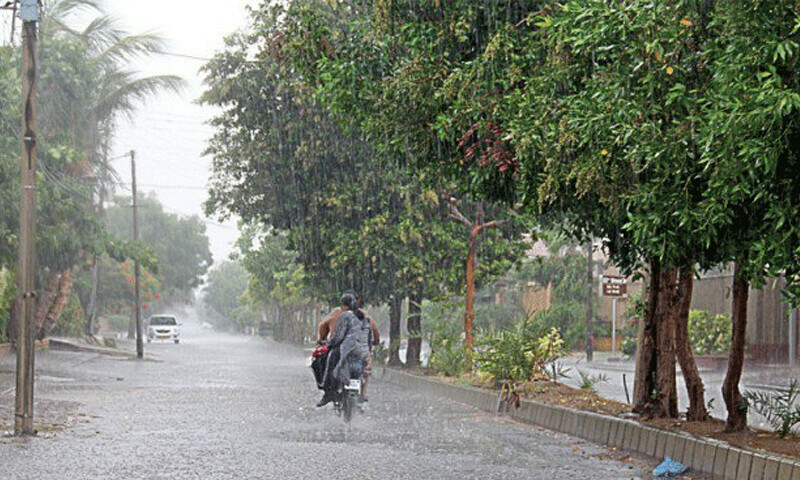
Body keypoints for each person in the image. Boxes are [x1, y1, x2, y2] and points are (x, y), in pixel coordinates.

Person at [316, 290, 379, 402]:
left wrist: (329, 343)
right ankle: (363, 393)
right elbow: (371, 333)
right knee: (366, 369)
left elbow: (338, 336)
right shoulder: (364, 316)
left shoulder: (342, 315)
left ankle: (328, 392)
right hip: (362, 351)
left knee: (330, 362)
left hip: (345, 349)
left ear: (343, 305)